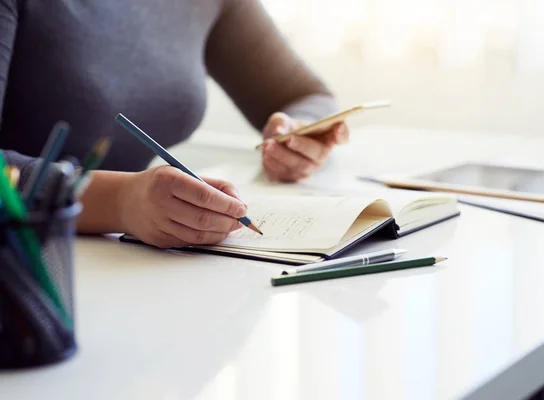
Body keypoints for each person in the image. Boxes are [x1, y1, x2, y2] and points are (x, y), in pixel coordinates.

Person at [0, 0, 349, 248]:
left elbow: (306, 95)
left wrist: (299, 135)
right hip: (27, 269)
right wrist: (120, 202)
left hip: (125, 263)